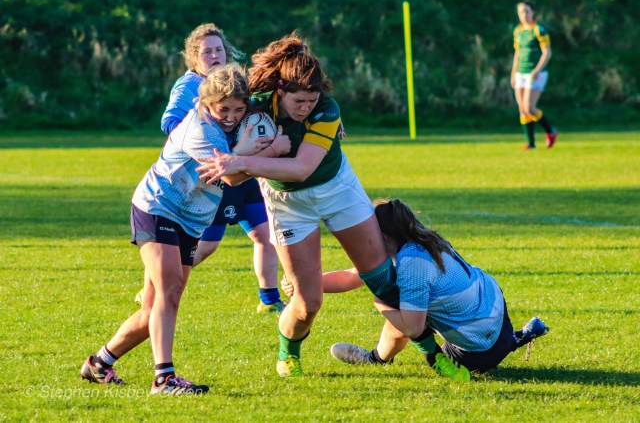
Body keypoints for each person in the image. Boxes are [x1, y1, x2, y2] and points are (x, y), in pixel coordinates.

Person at [80, 64, 290, 395]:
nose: (231, 117)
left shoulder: (241, 121)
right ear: (207, 102)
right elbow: (230, 176)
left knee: (156, 306)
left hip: (191, 219)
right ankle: (164, 379)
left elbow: (250, 145)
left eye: (238, 109)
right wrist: (273, 150)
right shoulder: (200, 129)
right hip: (158, 206)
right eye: (223, 109)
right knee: (169, 292)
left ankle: (99, 363)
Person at [196, 33, 391, 378]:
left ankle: (424, 350)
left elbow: (301, 168)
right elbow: (232, 179)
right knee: (308, 302)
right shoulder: (255, 107)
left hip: (337, 190)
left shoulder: (327, 109)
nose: (306, 108)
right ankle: (289, 354)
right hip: (287, 204)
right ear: (280, 92)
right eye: (299, 100)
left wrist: (243, 162)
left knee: (382, 278)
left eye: (312, 100)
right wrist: (239, 162)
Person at [284, 199, 550, 380]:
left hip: (480, 349)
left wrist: (382, 304)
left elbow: (412, 327)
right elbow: (352, 276)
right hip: (497, 317)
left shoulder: (412, 264)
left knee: (397, 307)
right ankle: (514, 339)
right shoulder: (422, 240)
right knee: (404, 304)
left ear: (382, 236)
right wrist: (303, 283)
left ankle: (383, 360)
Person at [140, 23, 284, 313]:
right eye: (207, 52)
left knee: (266, 235)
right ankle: (153, 285)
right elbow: (170, 122)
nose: (215, 55)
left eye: (219, 49)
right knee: (207, 245)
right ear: (194, 57)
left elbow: (268, 101)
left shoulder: (236, 82)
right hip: (212, 173)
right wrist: (202, 137)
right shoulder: (189, 85)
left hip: (245, 169)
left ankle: (269, 300)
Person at [511, 0, 558, 150]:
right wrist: (513, 73)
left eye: (526, 11)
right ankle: (531, 144)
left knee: (529, 107)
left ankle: (551, 131)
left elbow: (547, 52)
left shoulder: (539, 30)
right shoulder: (518, 31)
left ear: (533, 13)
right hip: (521, 72)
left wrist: (537, 70)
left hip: (536, 73)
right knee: (522, 109)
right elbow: (517, 53)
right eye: (521, 12)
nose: (523, 15)